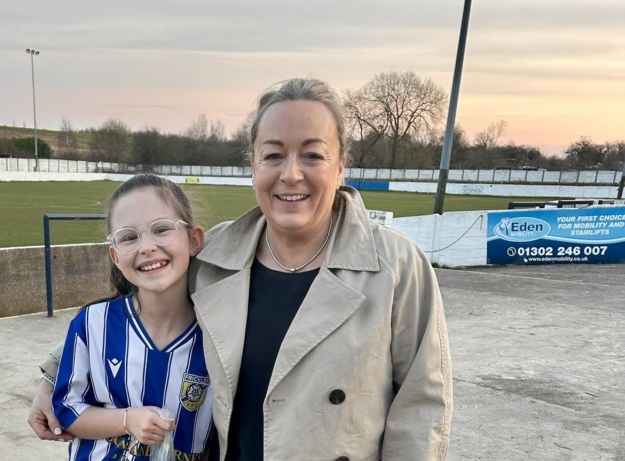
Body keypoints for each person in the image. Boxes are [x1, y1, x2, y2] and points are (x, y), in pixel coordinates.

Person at [30, 78, 452, 460]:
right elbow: (139, 308)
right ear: (252, 165)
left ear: (341, 165)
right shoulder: (217, 254)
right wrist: (52, 378)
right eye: (273, 155)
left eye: (313, 154)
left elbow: (421, 407)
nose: (291, 174)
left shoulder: (396, 266)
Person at [48, 173, 214, 460]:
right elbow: (66, 409)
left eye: (162, 229)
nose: (147, 246)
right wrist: (127, 420)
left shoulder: (219, 334)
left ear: (194, 240)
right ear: (115, 256)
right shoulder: (92, 323)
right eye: (129, 237)